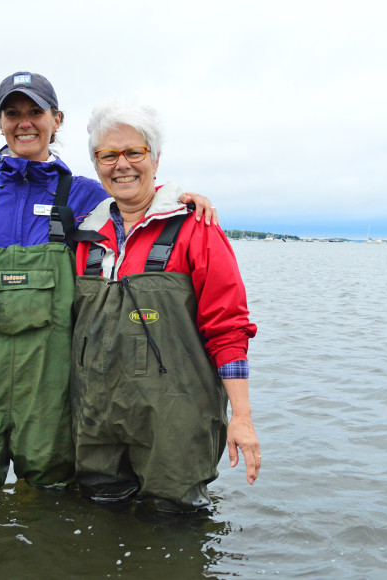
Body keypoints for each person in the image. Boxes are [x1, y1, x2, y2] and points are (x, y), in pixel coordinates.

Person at [0, 72, 216, 493]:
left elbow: (135, 198)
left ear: (57, 119)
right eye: (13, 113)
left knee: (55, 489)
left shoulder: (84, 196)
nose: (24, 122)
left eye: (36, 112)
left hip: (49, 377)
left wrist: (181, 198)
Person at [70, 101, 260, 512]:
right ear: (96, 164)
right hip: (97, 425)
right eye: (108, 155)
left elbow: (227, 327)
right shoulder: (84, 237)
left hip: (175, 423)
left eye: (134, 152)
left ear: (155, 158)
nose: (122, 165)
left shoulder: (196, 227)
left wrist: (241, 416)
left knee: (175, 528)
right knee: (98, 525)